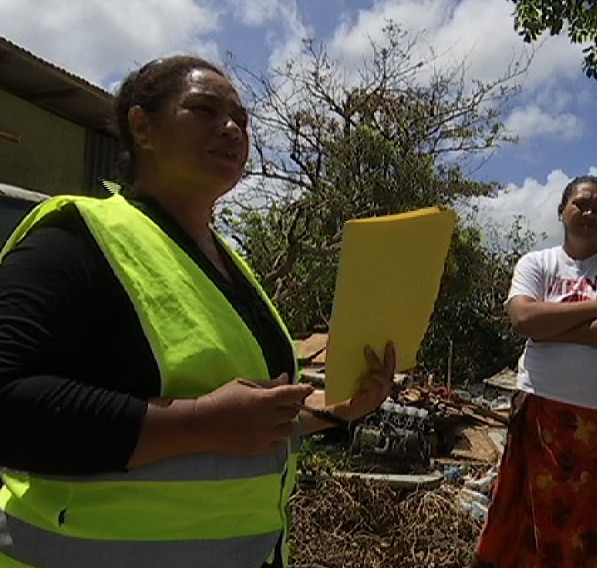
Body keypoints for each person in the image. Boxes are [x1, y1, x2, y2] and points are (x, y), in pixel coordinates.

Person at [0, 55, 396, 568]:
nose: (231, 128)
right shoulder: (78, 236)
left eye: (241, 120)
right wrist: (196, 422)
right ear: (142, 127)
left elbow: (245, 424)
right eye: (204, 110)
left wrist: (342, 408)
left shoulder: (234, 269)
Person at [471, 175, 597, 568]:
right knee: (526, 525)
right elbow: (523, 319)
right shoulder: (536, 263)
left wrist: (553, 327)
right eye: (581, 204)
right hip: (541, 416)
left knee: (592, 530)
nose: (589, 212)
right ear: (562, 210)